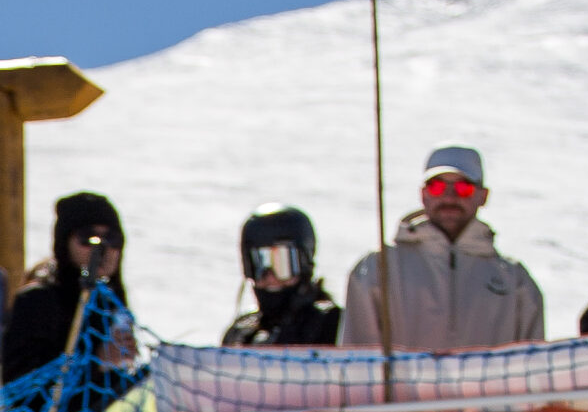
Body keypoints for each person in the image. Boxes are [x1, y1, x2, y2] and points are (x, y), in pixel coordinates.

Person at [341, 146, 546, 351]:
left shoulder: (515, 282)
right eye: (437, 187)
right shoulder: (379, 270)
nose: (449, 198)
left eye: (463, 188)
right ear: (423, 194)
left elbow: (533, 371)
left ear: (483, 196)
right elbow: (357, 367)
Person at [0, 193, 135, 387]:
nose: (102, 250)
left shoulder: (111, 301)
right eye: (88, 238)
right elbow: (20, 384)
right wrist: (96, 362)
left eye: (112, 239)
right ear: (66, 243)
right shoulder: (38, 301)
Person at [222, 207, 341, 348]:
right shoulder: (241, 332)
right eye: (259, 265)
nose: (270, 277)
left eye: (282, 264)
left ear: (303, 263)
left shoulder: (331, 325)